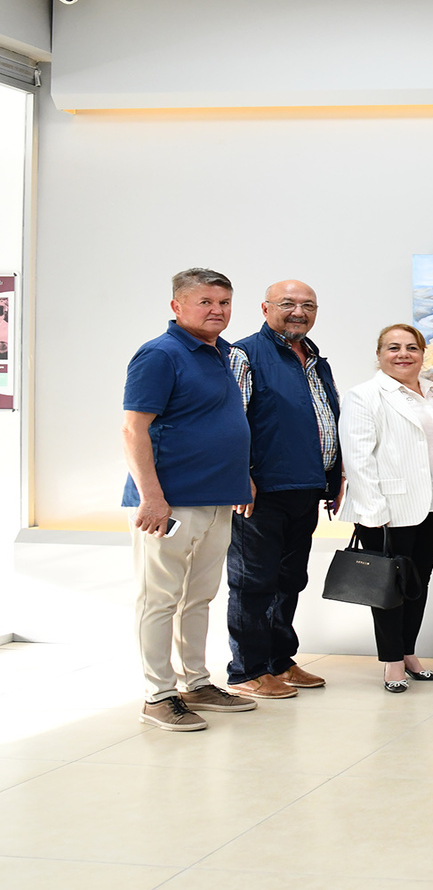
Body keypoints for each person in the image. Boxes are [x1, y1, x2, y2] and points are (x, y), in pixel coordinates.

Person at [122, 268, 256, 731]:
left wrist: (242, 477)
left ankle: (195, 683)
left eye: (224, 302)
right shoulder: (160, 354)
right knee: (159, 599)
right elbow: (133, 429)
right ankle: (157, 695)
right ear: (177, 306)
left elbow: (216, 421)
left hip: (219, 498)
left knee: (198, 597)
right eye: (205, 302)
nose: (217, 310)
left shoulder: (221, 353)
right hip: (171, 502)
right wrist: (151, 497)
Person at [224, 279, 340, 700]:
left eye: (308, 305)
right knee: (253, 581)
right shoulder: (244, 354)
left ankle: (279, 660)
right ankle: (248, 670)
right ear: (265, 308)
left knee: (290, 579)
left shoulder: (315, 359)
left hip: (306, 487)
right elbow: (231, 419)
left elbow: (327, 420)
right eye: (288, 303)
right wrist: (240, 476)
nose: (298, 312)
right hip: (262, 491)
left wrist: (334, 478)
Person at [339, 324, 433, 691]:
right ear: (379, 354)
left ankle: (408, 653)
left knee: (418, 583)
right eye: (393, 347)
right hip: (388, 509)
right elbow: (357, 458)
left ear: (422, 353)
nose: (403, 354)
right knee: (388, 587)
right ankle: (391, 663)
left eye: (411, 347)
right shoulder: (364, 395)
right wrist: (372, 510)